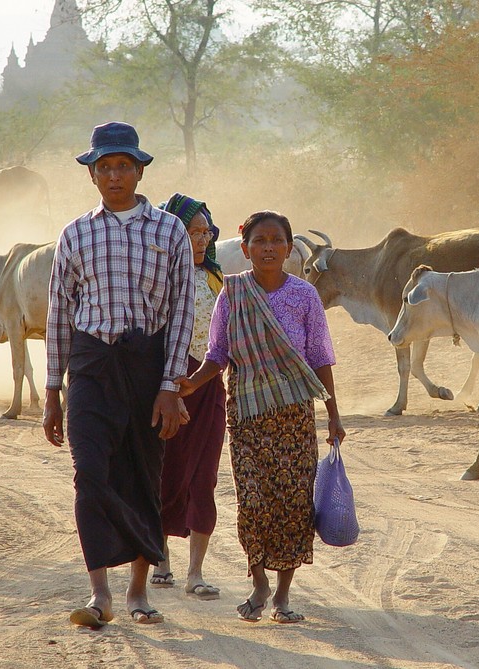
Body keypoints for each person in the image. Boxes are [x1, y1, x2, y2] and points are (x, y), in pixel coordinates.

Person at [42, 121, 195, 628]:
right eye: (103, 167)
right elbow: (59, 313)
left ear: (139, 169)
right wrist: (51, 390)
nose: (113, 175)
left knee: (141, 475)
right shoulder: (76, 233)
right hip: (89, 365)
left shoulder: (168, 230)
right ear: (92, 175)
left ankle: (137, 592)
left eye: (122, 166)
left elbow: (181, 311)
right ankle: (99, 594)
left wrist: (170, 385)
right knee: (89, 473)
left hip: (147, 368)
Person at [178, 210, 345, 624]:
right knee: (253, 502)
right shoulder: (232, 294)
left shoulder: (305, 296)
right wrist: (191, 384)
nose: (268, 248)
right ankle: (258, 584)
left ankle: (283, 596)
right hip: (248, 416)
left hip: (295, 417)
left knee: (292, 504)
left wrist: (334, 416)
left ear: (289, 248)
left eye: (276, 241)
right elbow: (217, 354)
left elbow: (320, 359)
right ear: (245, 247)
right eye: (259, 241)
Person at [149, 193, 227, 601]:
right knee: (166, 472)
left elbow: (226, 338)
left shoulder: (217, 279)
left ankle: (196, 572)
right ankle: (161, 558)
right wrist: (170, 387)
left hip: (209, 387)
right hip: (167, 388)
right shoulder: (159, 277)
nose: (200, 239)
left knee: (205, 477)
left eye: (205, 231)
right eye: (191, 231)